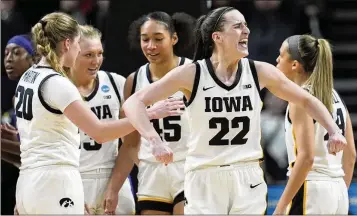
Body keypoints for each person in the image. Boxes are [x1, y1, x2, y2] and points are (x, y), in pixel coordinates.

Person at [121, 7, 347, 214]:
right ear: (217, 37)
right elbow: (133, 103)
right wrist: (154, 139)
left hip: (247, 175)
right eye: (238, 26)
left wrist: (334, 130)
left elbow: (308, 100)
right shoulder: (192, 73)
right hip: (204, 175)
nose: (246, 30)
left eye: (246, 25)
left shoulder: (259, 71)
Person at [14, 12, 184, 214]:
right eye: (80, 46)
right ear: (67, 44)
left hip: (29, 180)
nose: (80, 51)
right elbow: (100, 132)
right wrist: (149, 114)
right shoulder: (58, 83)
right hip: (55, 179)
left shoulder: (29, 76)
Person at [103, 11, 196, 215]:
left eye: (158, 39)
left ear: (174, 38)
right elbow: (129, 144)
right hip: (152, 173)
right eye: (145, 39)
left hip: (188, 167)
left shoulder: (194, 72)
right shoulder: (134, 81)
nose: (151, 46)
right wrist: (114, 188)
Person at [273, 34, 356, 215]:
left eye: (281, 55)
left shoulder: (300, 100)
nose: (277, 60)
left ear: (295, 65)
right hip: (338, 189)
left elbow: (306, 158)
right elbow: (350, 156)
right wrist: (338, 192)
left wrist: (281, 207)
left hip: (312, 189)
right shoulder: (335, 96)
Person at [70, 25, 135, 215]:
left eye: (100, 53)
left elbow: (130, 143)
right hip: (74, 177)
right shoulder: (58, 87)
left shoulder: (117, 83)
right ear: (72, 53)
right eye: (88, 55)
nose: (96, 61)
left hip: (112, 175)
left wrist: (114, 189)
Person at [1, 34, 36, 215]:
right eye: (6, 53)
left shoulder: (41, 89)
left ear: (33, 58)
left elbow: (39, 152)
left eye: (16, 53)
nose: (9, 59)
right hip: (31, 176)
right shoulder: (18, 96)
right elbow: (26, 157)